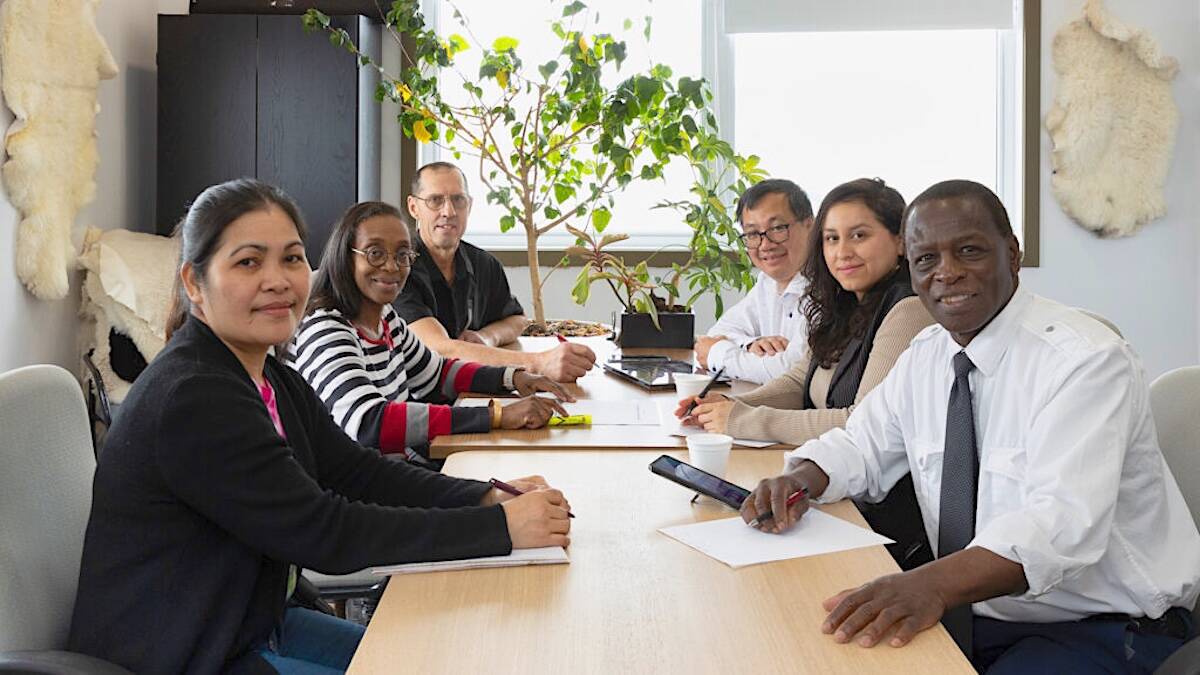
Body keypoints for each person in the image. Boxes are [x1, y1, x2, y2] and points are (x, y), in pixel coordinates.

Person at [67, 179, 573, 674]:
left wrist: (485, 495)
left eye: (290, 258)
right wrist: (499, 528)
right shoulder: (194, 397)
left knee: (438, 660)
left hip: (254, 621)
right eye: (248, 261)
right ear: (195, 283)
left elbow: (358, 472)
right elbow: (327, 532)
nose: (278, 279)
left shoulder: (271, 377)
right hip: (188, 649)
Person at [741, 180, 1200, 673]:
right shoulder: (928, 356)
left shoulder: (1085, 361)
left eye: (969, 251)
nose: (948, 273)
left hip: (1101, 624)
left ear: (1013, 253)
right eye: (927, 260)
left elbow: (1060, 528)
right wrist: (799, 479)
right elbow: (862, 443)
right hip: (978, 610)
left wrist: (928, 584)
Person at [679, 177, 936, 568]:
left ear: (900, 241)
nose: (842, 252)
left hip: (875, 521)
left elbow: (859, 423)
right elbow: (798, 382)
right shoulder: (844, 305)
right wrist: (724, 405)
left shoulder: (908, 310)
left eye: (859, 235)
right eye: (832, 239)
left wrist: (744, 419)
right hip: (833, 498)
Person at [290, 201, 571, 465]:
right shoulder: (326, 329)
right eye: (375, 253)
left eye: (402, 255)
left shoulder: (387, 321)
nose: (391, 266)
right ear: (345, 256)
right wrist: (497, 415)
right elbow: (370, 423)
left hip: (395, 473)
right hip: (358, 493)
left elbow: (439, 374)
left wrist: (515, 377)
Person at [395, 162, 596, 382]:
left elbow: (517, 319)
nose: (449, 211)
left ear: (469, 206)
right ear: (414, 207)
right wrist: (538, 363)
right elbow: (441, 350)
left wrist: (486, 337)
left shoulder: (484, 263)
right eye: (435, 200)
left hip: (474, 388)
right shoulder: (399, 267)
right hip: (417, 401)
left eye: (458, 200)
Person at [694, 179, 814, 384]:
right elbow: (717, 333)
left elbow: (790, 371)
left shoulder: (828, 286)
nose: (765, 245)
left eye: (777, 228)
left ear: (810, 225)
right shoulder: (767, 282)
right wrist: (751, 345)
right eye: (752, 234)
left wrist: (717, 354)